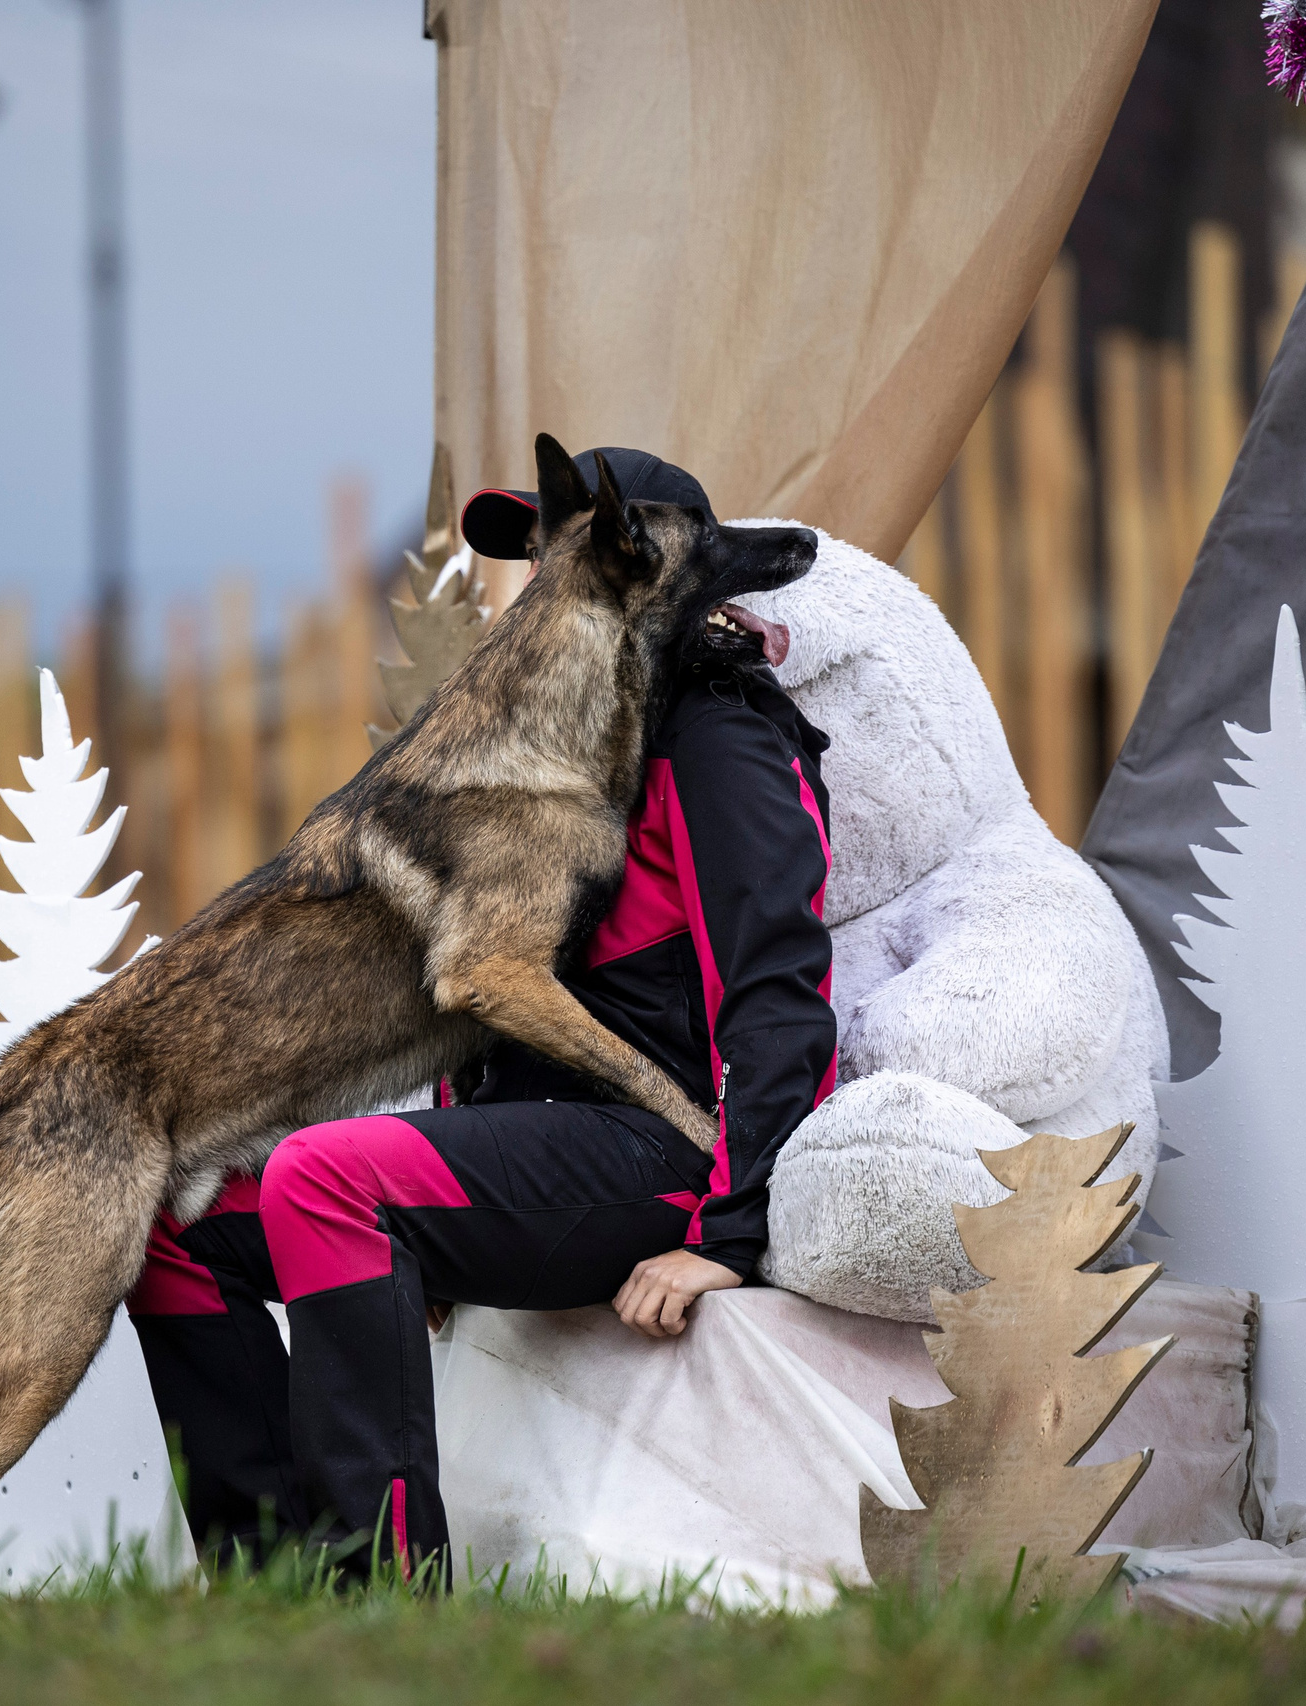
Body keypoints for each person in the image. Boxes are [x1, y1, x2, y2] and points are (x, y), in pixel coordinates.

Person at [125, 448, 838, 1581]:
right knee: (158, 1217)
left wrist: (728, 1233)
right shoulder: (538, 747)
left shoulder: (715, 738)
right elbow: (489, 986)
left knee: (324, 1175)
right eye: (533, 560)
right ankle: (263, 1584)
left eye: (574, 558)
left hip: (661, 1151)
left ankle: (383, 1595)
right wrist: (442, 1203)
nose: (543, 583)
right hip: (540, 1147)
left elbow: (779, 995)